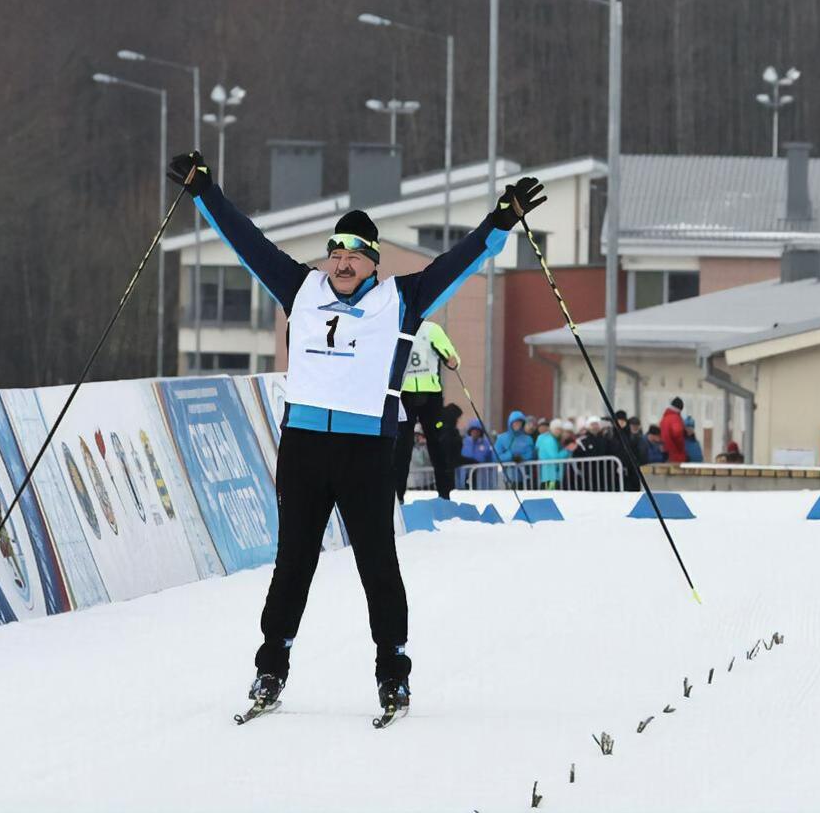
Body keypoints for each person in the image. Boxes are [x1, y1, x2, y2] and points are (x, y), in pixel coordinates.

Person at [168, 148, 546, 717]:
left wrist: (499, 221)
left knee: (377, 562)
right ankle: (270, 668)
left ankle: (393, 672)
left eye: (354, 255)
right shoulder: (301, 288)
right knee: (293, 560)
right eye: (336, 253)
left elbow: (459, 261)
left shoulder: (403, 300)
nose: (341, 263)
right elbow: (246, 242)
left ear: (374, 262)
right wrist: (205, 192)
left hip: (367, 449)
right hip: (303, 448)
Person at [392, 320, 460, 502]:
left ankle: (445, 494)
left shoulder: (431, 329)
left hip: (430, 394)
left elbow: (452, 356)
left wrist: (453, 361)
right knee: (402, 447)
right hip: (404, 394)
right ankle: (397, 496)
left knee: (437, 443)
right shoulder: (395, 325)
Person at [494, 410, 535, 488]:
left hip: (524, 477)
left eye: (519, 422)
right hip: (507, 477)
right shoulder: (501, 438)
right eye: (515, 422)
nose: (517, 425)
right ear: (510, 423)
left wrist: (522, 458)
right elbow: (496, 456)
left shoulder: (527, 439)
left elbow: (531, 455)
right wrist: (511, 456)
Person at [459, 418, 496, 488]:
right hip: (465, 474)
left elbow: (491, 460)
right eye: (473, 431)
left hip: (481, 476)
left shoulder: (486, 444)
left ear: (481, 432)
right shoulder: (464, 442)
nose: (475, 433)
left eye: (477, 431)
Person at [536, 418, 569, 490]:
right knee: (550, 496)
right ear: (552, 429)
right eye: (557, 429)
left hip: (554, 475)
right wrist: (567, 450)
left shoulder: (555, 439)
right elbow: (554, 457)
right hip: (549, 476)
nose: (559, 432)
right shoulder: (549, 440)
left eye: (560, 430)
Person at [660, 397, 687, 464]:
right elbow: (677, 435)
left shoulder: (664, 419)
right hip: (676, 455)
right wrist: (681, 449)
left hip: (666, 454)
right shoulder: (676, 419)